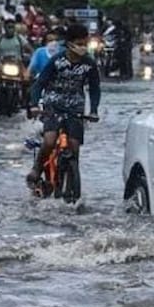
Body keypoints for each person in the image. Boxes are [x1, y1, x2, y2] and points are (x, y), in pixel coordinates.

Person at [25, 23, 101, 190]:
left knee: (74, 146)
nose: (83, 47)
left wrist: (94, 110)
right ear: (69, 43)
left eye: (84, 43)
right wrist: (34, 104)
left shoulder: (89, 64)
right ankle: (37, 168)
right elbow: (39, 84)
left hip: (76, 108)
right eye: (79, 43)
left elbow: (95, 88)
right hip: (53, 105)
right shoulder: (56, 61)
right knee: (49, 141)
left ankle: (72, 181)